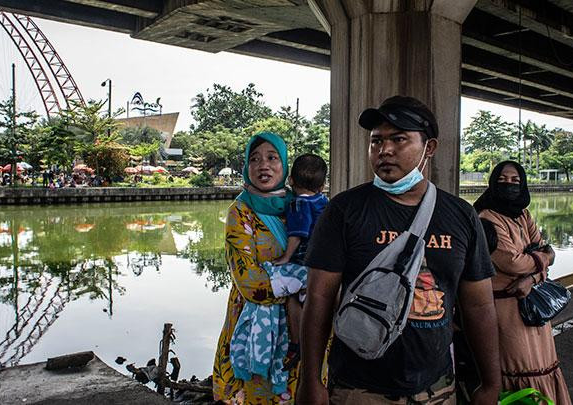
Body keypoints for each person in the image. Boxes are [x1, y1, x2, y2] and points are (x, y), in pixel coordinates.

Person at [297, 96, 501, 405]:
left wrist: (490, 382)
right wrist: (310, 380)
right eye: (376, 141)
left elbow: (479, 307)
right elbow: (319, 299)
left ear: (429, 148)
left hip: (437, 388)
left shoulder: (461, 215)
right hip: (358, 389)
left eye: (399, 139)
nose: (384, 150)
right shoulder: (344, 210)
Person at [474, 161, 572, 404]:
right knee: (519, 368)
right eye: (503, 179)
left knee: (543, 364)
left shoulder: (523, 215)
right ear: (493, 182)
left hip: (533, 304)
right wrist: (542, 260)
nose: (509, 184)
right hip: (507, 310)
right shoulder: (487, 218)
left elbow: (547, 252)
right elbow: (513, 263)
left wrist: (532, 277)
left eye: (515, 180)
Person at [213, 132, 299, 404]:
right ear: (246, 168)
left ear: (284, 164)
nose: (264, 165)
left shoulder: (300, 205)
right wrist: (307, 288)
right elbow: (250, 282)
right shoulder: (240, 212)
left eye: (272, 158)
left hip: (300, 329)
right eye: (255, 159)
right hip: (253, 325)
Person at [269, 153, 329, 371]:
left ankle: (297, 343)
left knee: (294, 299)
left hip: (304, 260)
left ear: (291, 180)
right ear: (322, 185)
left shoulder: (298, 204)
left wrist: (285, 258)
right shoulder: (324, 201)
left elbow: (298, 234)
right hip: (323, 261)